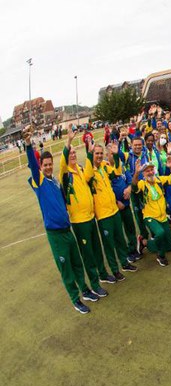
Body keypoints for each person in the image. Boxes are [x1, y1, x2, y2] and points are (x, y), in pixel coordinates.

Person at [24, 126, 98, 314]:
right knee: (66, 269)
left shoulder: (56, 182)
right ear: (41, 167)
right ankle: (75, 299)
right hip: (55, 235)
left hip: (67, 231)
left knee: (77, 264)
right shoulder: (39, 181)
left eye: (50, 164)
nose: (48, 167)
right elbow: (32, 164)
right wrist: (27, 144)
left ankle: (85, 290)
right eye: (45, 165)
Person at [60, 130, 115, 288]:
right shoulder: (65, 173)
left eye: (74, 152)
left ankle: (103, 274)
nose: (72, 155)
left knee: (97, 249)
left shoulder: (81, 169)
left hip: (91, 217)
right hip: (79, 221)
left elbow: (90, 175)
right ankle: (94, 283)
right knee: (88, 253)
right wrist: (69, 142)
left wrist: (90, 155)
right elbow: (63, 162)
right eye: (70, 153)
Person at [86, 141, 138, 280]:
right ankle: (115, 270)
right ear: (92, 155)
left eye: (100, 153)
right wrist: (89, 154)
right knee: (109, 244)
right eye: (96, 153)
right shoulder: (89, 170)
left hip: (114, 210)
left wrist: (115, 155)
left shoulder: (104, 166)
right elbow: (88, 176)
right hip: (103, 215)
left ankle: (124, 263)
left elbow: (117, 172)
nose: (99, 156)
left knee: (120, 239)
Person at [132, 158, 171, 267]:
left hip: (162, 216)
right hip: (150, 216)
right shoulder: (142, 184)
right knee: (160, 233)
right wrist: (136, 173)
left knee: (169, 246)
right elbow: (134, 187)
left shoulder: (159, 180)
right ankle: (161, 256)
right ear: (143, 173)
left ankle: (144, 242)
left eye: (151, 170)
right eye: (147, 171)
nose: (150, 172)